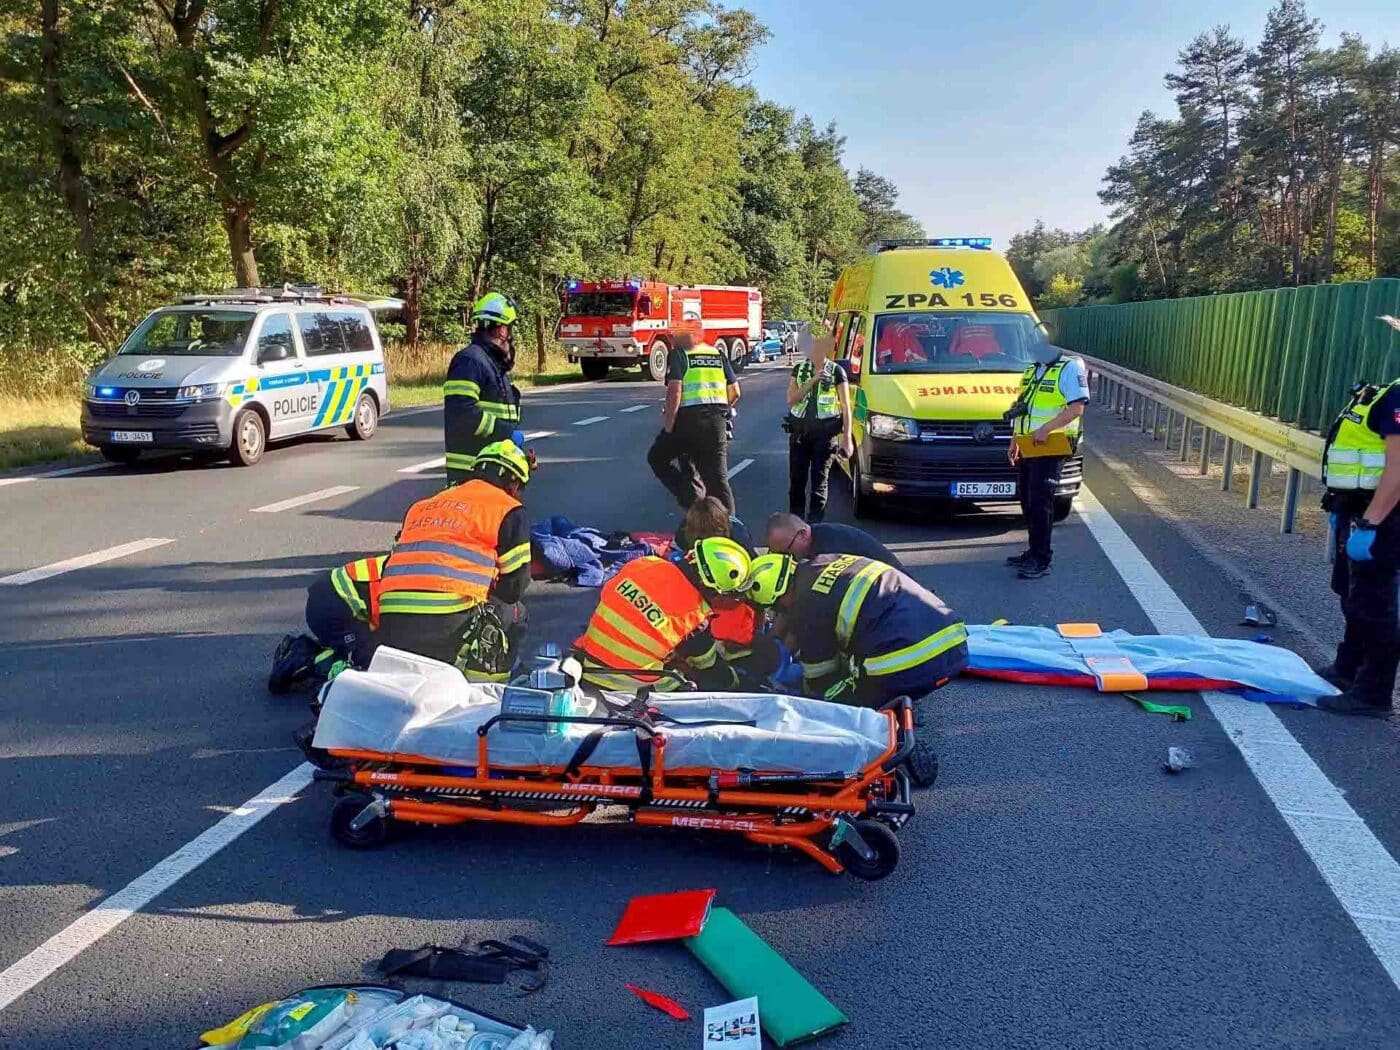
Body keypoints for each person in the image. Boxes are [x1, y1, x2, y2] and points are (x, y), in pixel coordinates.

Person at [375, 440, 533, 681]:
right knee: (514, 612)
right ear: (513, 483)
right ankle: (486, 689)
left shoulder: (422, 506)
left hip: (391, 621)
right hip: (445, 622)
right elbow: (514, 588)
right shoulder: (508, 510)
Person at [743, 552, 967, 708]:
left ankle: (883, 741)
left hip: (914, 662)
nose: (783, 614)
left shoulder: (806, 606)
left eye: (777, 608)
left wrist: (799, 696)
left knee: (836, 697)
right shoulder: (828, 561)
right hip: (953, 642)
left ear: (781, 596)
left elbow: (819, 677)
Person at [1317, 315, 1400, 716]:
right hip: (1356, 506)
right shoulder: (1390, 391)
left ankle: (1373, 693)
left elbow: (1398, 469)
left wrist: (1371, 523)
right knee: (1351, 593)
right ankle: (1347, 669)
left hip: (1380, 513)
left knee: (1373, 601)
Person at [573, 537, 752, 693]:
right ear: (716, 590)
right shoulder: (694, 618)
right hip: (629, 687)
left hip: (589, 663)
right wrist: (738, 683)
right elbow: (709, 666)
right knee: (693, 682)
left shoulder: (645, 563)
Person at [1005, 333, 1088, 580]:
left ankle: (1041, 559)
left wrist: (1046, 428)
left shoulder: (1068, 368)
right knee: (1028, 500)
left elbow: (1077, 407)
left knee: (1041, 501)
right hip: (1029, 445)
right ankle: (1032, 551)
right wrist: (1014, 441)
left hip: (1052, 444)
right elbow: (1021, 408)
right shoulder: (1032, 371)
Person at [647, 325, 741, 514]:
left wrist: (668, 426)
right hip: (716, 423)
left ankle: (692, 504)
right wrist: (722, 410)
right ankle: (730, 529)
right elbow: (736, 392)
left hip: (687, 422)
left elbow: (675, 391)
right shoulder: (716, 354)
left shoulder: (680, 354)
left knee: (657, 457)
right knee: (718, 478)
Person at [267, 554, 386, 693]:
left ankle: (331, 649)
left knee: (376, 651)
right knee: (371, 665)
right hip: (332, 608)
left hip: (332, 599)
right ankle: (304, 657)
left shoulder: (405, 564)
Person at [444, 292, 522, 486]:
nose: (510, 337)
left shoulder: (492, 364)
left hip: (492, 469)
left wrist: (518, 453)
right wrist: (507, 433)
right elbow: (462, 413)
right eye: (509, 329)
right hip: (472, 471)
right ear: (502, 330)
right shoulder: (470, 361)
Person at [786, 330, 854, 522]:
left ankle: (815, 527)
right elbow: (791, 399)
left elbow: (846, 406)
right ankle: (796, 525)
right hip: (800, 435)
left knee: (819, 484)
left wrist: (847, 439)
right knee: (797, 484)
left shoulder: (837, 372)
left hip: (825, 436)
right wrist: (813, 380)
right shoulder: (799, 369)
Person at [765, 512, 904, 571]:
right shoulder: (816, 536)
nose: (785, 559)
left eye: (785, 552)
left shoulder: (830, 553)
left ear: (802, 534)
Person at [675, 495, 756, 555]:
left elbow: (752, 562)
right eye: (702, 532)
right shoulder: (683, 533)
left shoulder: (738, 534)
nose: (707, 536)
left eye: (712, 531)